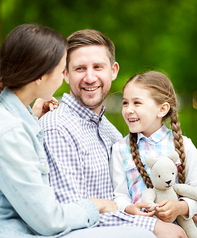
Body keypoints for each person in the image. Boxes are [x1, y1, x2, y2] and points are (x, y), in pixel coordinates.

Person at [39, 29, 187, 238]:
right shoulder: (57, 127)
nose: (90, 78)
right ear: (65, 74)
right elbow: (68, 212)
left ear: (113, 71)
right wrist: (150, 227)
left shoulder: (112, 133)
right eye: (80, 68)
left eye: (98, 67)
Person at [0, 23, 129, 238]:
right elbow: (50, 220)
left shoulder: (21, 123)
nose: (88, 77)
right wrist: (96, 206)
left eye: (98, 67)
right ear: (41, 76)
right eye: (63, 70)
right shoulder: (15, 130)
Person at [110, 71, 197, 223]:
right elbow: (120, 195)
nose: (128, 109)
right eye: (125, 102)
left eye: (137, 103)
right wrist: (129, 208)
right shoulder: (120, 149)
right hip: (138, 227)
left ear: (162, 109)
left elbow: (194, 188)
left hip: (179, 228)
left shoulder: (184, 145)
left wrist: (181, 207)